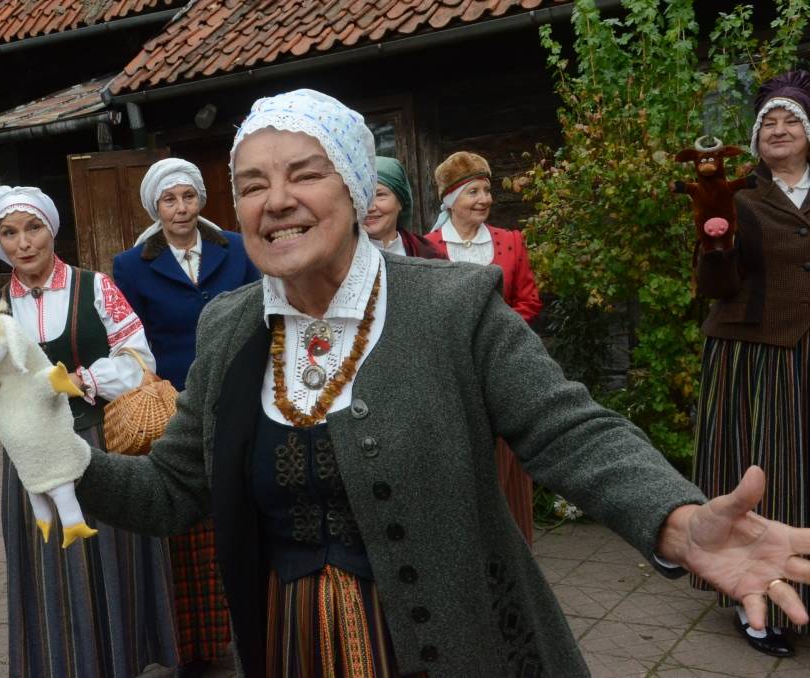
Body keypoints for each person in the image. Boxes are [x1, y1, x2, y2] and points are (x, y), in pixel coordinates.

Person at [72, 89, 810, 677]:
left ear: (356, 188)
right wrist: (62, 457)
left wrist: (676, 520)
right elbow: (172, 489)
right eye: (252, 184)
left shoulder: (451, 305)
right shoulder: (228, 327)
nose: (277, 200)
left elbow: (568, 430)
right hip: (290, 645)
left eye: (305, 173)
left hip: (449, 644)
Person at [0, 186, 178, 677]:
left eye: (34, 228)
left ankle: (120, 661)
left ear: (51, 230)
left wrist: (82, 379)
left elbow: (139, 360)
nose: (24, 242)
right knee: (47, 561)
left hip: (97, 442)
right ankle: (62, 664)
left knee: (111, 554)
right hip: (31, 456)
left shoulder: (96, 288)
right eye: (10, 233)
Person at [112, 159, 260, 676]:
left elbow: (262, 313)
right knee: (189, 519)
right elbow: (133, 340)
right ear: (155, 207)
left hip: (241, 393)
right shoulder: (131, 266)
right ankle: (195, 642)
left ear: (202, 200)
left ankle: (253, 620)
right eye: (169, 200)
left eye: (188, 197)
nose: (180, 208)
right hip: (176, 406)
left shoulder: (236, 249)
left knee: (244, 506)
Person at [694, 70, 810, 657]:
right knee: (761, 472)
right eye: (768, 122)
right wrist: (714, 244)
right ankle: (754, 599)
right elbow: (714, 287)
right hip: (753, 353)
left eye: (792, 120)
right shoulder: (733, 195)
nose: (779, 129)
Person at [425, 151, 542, 544]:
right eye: (472, 191)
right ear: (450, 200)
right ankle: (464, 546)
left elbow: (529, 299)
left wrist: (498, 331)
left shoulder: (510, 242)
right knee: (460, 457)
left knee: (509, 459)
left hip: (503, 366)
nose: (484, 199)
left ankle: (516, 548)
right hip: (452, 372)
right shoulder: (429, 248)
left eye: (486, 190)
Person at [363, 156, 444, 258]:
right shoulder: (343, 256)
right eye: (362, 196)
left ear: (401, 202)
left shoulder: (429, 255)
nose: (370, 208)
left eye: (380, 195)